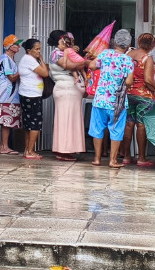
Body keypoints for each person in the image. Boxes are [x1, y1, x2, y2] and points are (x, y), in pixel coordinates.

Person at [88, 30, 135, 168]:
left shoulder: (105, 54)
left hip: (100, 99)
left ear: (114, 42)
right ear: (128, 45)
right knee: (116, 130)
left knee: (97, 129)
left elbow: (91, 65)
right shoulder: (127, 60)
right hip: (117, 102)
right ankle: (112, 160)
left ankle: (97, 159)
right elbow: (128, 82)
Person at [48, 30, 88, 162]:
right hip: (65, 90)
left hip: (71, 91)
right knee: (65, 121)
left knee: (71, 121)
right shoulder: (56, 54)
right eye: (63, 40)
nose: (65, 42)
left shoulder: (66, 52)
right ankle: (62, 150)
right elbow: (70, 65)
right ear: (58, 41)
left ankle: (68, 149)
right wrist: (85, 62)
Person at [124, 33, 155, 167]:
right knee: (141, 124)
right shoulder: (147, 59)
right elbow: (148, 80)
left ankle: (126, 157)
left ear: (139, 42)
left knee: (129, 124)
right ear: (153, 45)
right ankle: (141, 158)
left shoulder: (128, 55)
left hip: (128, 94)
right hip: (143, 96)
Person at [16, 38, 49, 160]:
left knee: (28, 124)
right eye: (37, 49)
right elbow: (45, 73)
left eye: (39, 49)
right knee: (35, 124)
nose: (39, 52)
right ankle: (30, 151)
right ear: (29, 50)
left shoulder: (27, 59)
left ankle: (27, 150)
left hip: (27, 94)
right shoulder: (30, 60)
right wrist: (41, 59)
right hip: (32, 95)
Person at [0, 35, 21, 155]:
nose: (18, 46)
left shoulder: (10, 59)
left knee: (7, 121)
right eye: (16, 44)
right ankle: (4, 146)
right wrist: (23, 71)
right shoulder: (5, 59)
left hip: (10, 94)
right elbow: (12, 78)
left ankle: (4, 146)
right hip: (6, 94)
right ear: (9, 47)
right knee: (6, 120)